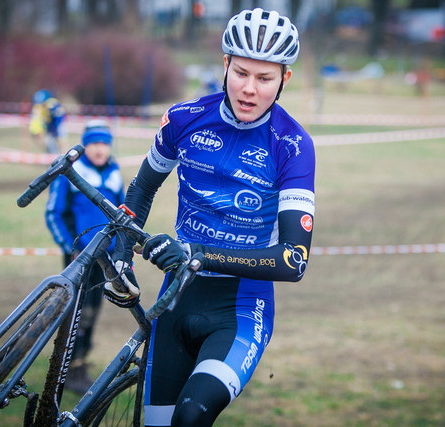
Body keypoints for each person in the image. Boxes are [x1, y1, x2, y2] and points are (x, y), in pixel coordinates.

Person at [107, 8, 315, 426]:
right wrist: (121, 253)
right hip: (176, 301)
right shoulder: (184, 119)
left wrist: (196, 252)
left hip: (240, 310)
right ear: (224, 65)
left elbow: (294, 260)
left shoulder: (292, 145)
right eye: (241, 73)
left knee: (189, 417)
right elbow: (143, 188)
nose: (249, 89)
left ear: (284, 79)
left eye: (265, 78)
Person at [45, 119, 126, 394]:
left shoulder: (114, 172)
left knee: (92, 312)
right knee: (74, 313)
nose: (99, 149)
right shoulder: (71, 172)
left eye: (104, 143)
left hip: (105, 260)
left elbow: (122, 214)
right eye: (93, 143)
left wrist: (120, 249)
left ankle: (79, 365)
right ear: (84, 145)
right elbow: (54, 213)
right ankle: (63, 371)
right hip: (78, 258)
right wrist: (71, 248)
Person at [29, 89, 67, 154]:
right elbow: (37, 119)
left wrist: (57, 130)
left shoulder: (54, 105)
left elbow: (60, 118)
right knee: (49, 141)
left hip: (58, 123)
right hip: (49, 125)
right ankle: (52, 155)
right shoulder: (38, 107)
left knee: (61, 141)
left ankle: (64, 156)